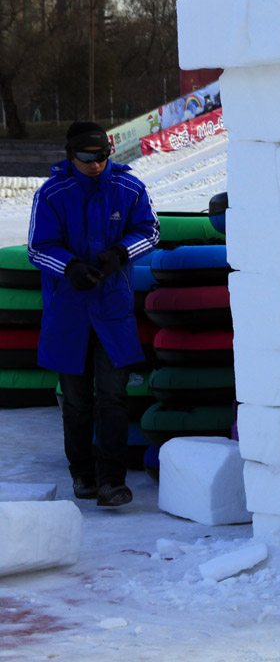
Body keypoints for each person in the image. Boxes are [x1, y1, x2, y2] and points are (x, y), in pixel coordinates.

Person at [27, 121, 160, 507]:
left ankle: (112, 480)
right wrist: (68, 267)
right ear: (71, 156)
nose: (95, 165)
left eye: (102, 156)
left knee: (114, 397)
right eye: (87, 158)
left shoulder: (130, 188)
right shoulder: (52, 193)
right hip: (68, 311)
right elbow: (38, 248)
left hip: (112, 309)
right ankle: (82, 474)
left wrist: (121, 253)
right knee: (77, 400)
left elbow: (150, 230)